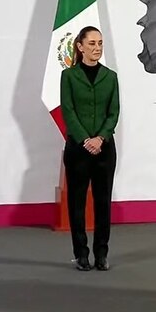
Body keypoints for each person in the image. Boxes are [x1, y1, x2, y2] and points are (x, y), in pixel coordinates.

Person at [59, 26, 120, 271]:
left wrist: (100, 138)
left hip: (104, 150)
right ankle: (81, 254)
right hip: (77, 149)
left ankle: (102, 254)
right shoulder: (69, 77)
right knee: (77, 202)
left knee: (103, 203)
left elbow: (113, 112)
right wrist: (85, 139)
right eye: (92, 43)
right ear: (80, 46)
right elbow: (68, 111)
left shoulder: (110, 76)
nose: (97, 48)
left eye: (100, 43)